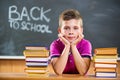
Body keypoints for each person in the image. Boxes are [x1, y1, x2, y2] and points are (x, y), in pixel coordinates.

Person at [50, 9, 92, 75]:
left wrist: (73, 46)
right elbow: (58, 71)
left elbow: (83, 71)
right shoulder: (55, 45)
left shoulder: (86, 44)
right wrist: (67, 46)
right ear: (59, 31)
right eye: (66, 28)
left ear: (81, 30)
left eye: (75, 28)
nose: (71, 32)